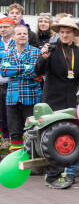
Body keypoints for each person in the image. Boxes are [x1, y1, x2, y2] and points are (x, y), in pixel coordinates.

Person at [35, 18, 79, 189]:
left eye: (68, 32)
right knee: (54, 137)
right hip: (52, 99)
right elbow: (38, 71)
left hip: (70, 99)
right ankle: (52, 176)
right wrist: (43, 58)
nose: (65, 35)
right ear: (58, 33)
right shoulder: (50, 48)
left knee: (68, 137)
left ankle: (67, 174)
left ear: (74, 34)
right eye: (62, 32)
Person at [1, 24, 41, 153]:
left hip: (30, 96)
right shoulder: (8, 53)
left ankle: (33, 161)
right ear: (13, 36)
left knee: (32, 131)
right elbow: (4, 71)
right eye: (19, 34)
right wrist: (24, 67)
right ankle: (16, 160)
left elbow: (34, 72)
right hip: (12, 97)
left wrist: (14, 70)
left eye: (25, 34)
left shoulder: (35, 51)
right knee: (14, 132)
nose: (22, 36)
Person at [0, 17, 14, 149]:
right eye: (1, 27)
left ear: (13, 27)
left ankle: (10, 137)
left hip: (12, 84)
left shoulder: (17, 43)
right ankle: (3, 138)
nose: (3, 30)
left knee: (9, 113)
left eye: (6, 27)